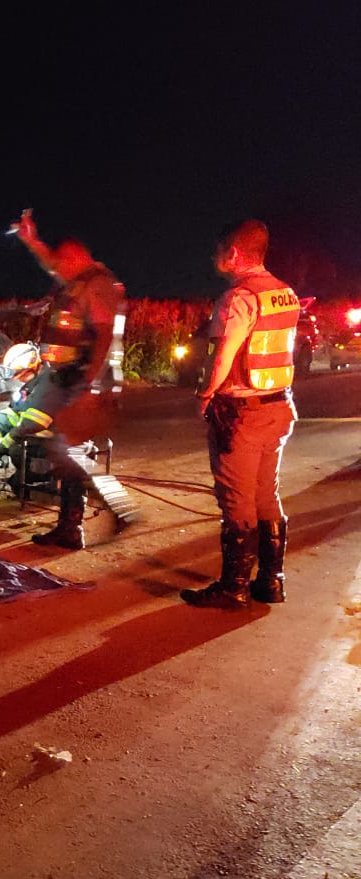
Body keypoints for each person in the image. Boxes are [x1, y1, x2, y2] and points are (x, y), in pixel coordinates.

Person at [0, 209, 138, 549]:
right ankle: (75, 525)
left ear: (76, 258)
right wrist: (31, 241)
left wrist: (90, 388)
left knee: (68, 450)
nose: (55, 269)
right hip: (66, 378)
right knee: (64, 451)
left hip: (83, 381)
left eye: (61, 262)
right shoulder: (77, 278)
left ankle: (107, 512)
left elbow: (104, 339)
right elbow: (51, 263)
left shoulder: (98, 285)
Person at [181, 220, 298, 609]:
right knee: (267, 494)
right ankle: (271, 581)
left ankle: (233, 587)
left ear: (233, 254)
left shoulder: (239, 297)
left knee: (236, 498)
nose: (214, 257)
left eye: (218, 251)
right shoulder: (285, 293)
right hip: (279, 406)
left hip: (242, 413)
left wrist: (206, 393)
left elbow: (222, 354)